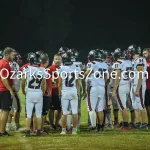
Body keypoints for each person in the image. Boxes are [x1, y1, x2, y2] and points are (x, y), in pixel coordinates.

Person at [22, 52, 46, 137]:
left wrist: (23, 90)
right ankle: (38, 131)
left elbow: (23, 81)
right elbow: (44, 83)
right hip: (38, 92)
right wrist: (42, 92)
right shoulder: (42, 70)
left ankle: (28, 132)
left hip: (30, 92)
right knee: (38, 114)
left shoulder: (27, 69)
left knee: (29, 114)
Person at [84, 49, 108, 132]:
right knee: (100, 109)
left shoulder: (92, 64)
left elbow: (87, 73)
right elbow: (106, 78)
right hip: (102, 87)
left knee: (91, 108)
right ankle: (100, 126)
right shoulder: (105, 65)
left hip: (93, 87)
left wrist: (82, 74)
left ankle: (94, 127)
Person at [58, 50, 80, 135]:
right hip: (73, 90)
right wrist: (77, 92)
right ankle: (74, 130)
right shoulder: (76, 68)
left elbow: (59, 83)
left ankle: (63, 130)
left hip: (65, 91)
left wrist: (60, 93)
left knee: (64, 112)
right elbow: (78, 83)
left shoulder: (62, 68)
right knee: (75, 112)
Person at [111, 48, 132, 130]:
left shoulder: (118, 63)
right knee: (125, 105)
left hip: (121, 86)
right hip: (127, 85)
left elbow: (117, 77)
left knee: (123, 106)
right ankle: (126, 123)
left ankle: (125, 125)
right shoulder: (128, 62)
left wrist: (114, 90)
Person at [129, 45, 148, 129]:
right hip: (134, 84)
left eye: (130, 51)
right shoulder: (135, 60)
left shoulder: (140, 59)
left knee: (141, 104)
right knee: (135, 105)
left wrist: (137, 89)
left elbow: (140, 74)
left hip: (138, 85)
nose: (129, 53)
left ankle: (144, 123)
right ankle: (138, 122)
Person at [0, 47, 16, 136]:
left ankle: (1, 130)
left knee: (2, 111)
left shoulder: (1, 62)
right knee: (5, 111)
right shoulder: (5, 64)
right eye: (12, 55)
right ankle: (2, 131)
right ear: (7, 54)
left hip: (1, 89)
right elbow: (4, 78)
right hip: (4, 90)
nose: (13, 56)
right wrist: (10, 90)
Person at [48, 53, 62, 130]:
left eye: (59, 59)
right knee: (52, 109)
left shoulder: (62, 68)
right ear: (53, 60)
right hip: (52, 92)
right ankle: (51, 124)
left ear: (61, 60)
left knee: (59, 109)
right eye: (56, 59)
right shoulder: (50, 69)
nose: (57, 61)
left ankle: (56, 123)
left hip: (59, 92)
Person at [143, 48, 150, 126]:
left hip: (148, 87)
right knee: (147, 105)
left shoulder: (147, 63)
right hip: (146, 87)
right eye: (143, 53)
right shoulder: (144, 63)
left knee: (148, 106)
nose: (144, 55)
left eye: (146, 53)